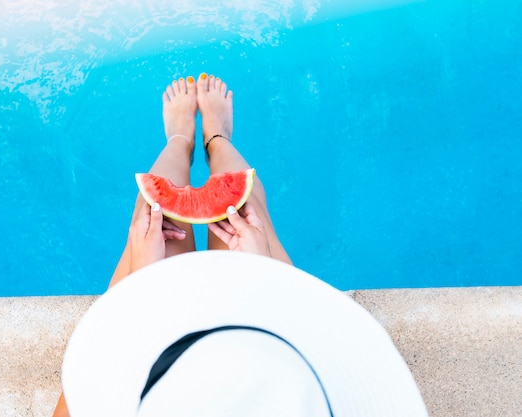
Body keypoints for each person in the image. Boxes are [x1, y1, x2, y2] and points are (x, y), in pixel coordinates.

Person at [53, 74, 428, 417]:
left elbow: (82, 384)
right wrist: (263, 271)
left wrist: (141, 282)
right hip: (269, 346)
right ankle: (218, 139)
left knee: (155, 216)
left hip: (164, 362)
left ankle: (180, 139)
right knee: (247, 215)